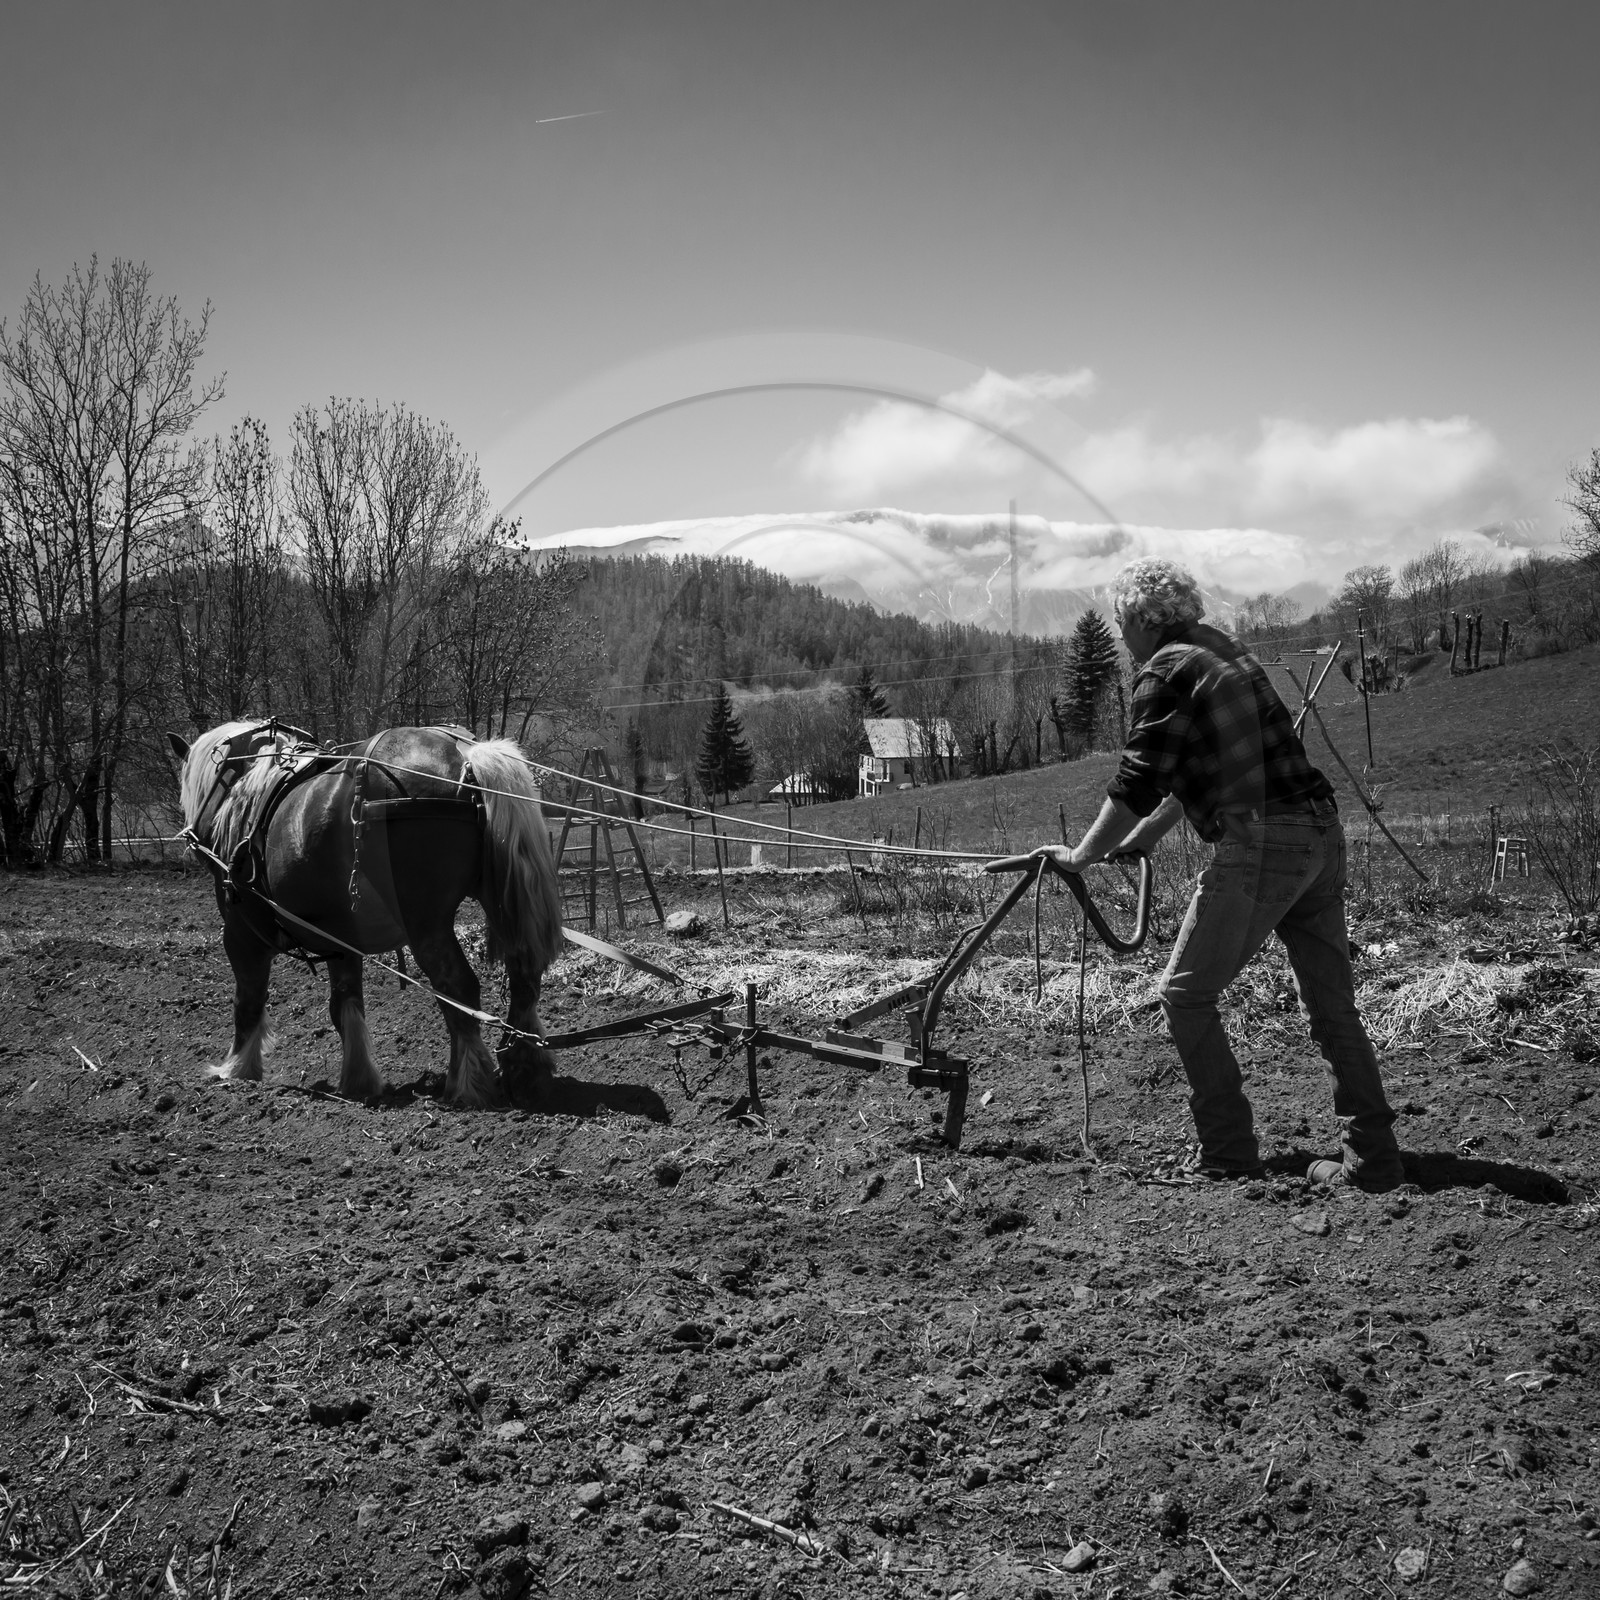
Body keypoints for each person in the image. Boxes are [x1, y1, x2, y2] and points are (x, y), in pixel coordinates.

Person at [1029, 557, 1404, 1191]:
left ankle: (1228, 1151)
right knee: (1331, 1005)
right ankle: (1374, 1156)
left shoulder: (1163, 670)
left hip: (1264, 842)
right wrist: (1146, 838)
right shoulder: (1223, 653)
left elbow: (1138, 780)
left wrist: (1080, 855)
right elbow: (1210, 768)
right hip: (1319, 834)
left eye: (1122, 622)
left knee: (1185, 995)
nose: (1121, 637)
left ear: (1146, 620)